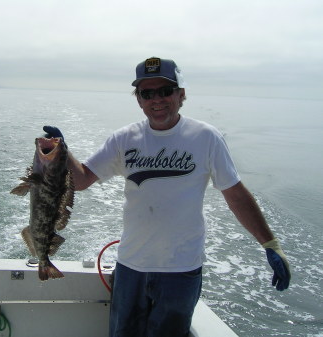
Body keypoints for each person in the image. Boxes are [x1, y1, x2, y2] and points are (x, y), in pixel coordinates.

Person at [43, 56, 291, 337]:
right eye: (147, 93)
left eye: (165, 90)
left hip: (181, 271)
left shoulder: (206, 137)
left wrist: (269, 243)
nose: (156, 99)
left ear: (181, 94)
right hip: (131, 266)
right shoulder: (124, 139)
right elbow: (82, 180)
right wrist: (62, 152)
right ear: (139, 100)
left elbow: (235, 194)